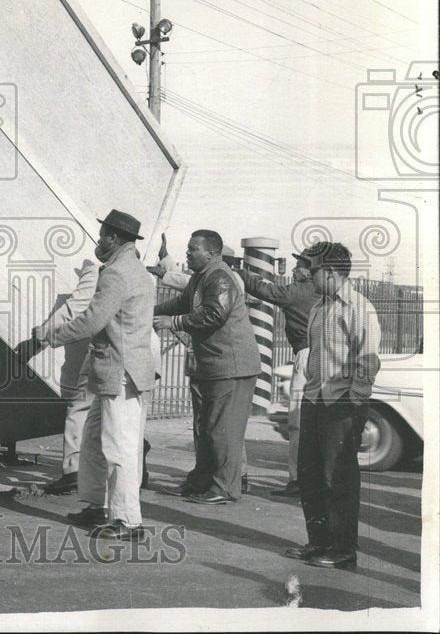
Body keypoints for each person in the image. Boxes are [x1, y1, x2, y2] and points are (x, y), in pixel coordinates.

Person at [32, 210, 157, 540]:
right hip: (116, 371)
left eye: (102, 235)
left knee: (120, 448)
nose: (98, 241)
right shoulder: (138, 271)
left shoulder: (116, 273)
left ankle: (128, 522)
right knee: (93, 441)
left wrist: (49, 335)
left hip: (121, 373)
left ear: (114, 238)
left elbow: (91, 320)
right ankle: (98, 507)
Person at [286, 242, 380, 569]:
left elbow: (368, 361)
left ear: (329, 272)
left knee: (337, 479)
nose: (307, 276)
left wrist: (352, 404)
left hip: (341, 405)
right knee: (310, 476)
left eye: (312, 271)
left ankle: (343, 550)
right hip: (314, 400)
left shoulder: (358, 307)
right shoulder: (319, 306)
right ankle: (319, 542)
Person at [153, 229, 261, 504]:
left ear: (212, 253)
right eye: (188, 249)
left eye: (193, 249)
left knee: (221, 429)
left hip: (231, 366)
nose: (188, 253)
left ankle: (224, 488)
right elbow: (183, 302)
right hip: (211, 364)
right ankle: (201, 482)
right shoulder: (202, 277)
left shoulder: (220, 277)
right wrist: (153, 310)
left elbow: (215, 314)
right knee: (205, 427)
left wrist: (173, 322)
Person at [237, 247, 318, 497]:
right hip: (323, 357)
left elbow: (267, 291)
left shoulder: (301, 291)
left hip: (306, 355)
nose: (295, 270)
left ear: (311, 270)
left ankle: (297, 480)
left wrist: (240, 273)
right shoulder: (322, 292)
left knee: (298, 422)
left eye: (300, 266)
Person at [34, 257, 99, 495]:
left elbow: (76, 307)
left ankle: (72, 472)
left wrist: (47, 333)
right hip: (140, 358)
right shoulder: (139, 274)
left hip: (104, 355)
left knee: (78, 409)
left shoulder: (97, 270)